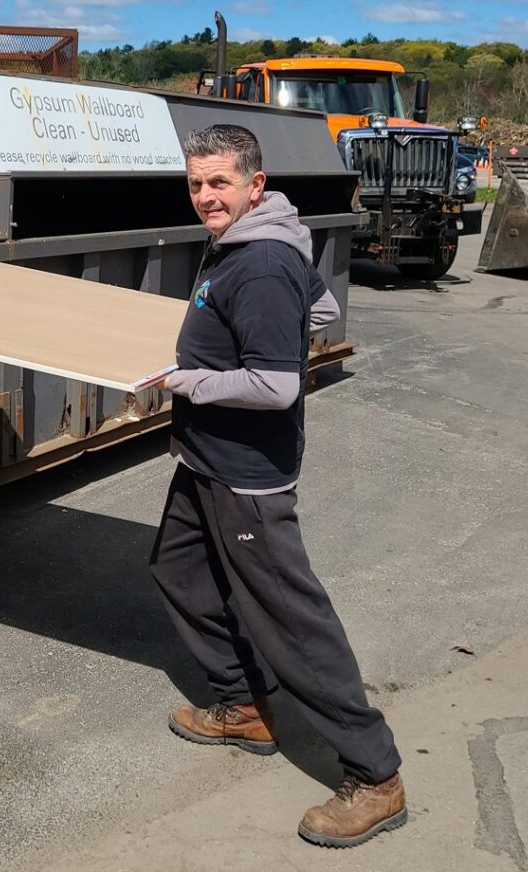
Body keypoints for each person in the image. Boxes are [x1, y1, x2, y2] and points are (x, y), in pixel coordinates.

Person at [152, 123, 405, 848]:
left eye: (219, 183)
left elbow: (273, 386)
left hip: (245, 474)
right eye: (197, 183)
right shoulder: (259, 241)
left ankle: (376, 772)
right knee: (177, 570)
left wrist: (186, 380)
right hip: (206, 458)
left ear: (254, 184)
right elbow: (320, 308)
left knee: (289, 619)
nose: (206, 196)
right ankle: (244, 704)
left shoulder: (259, 260)